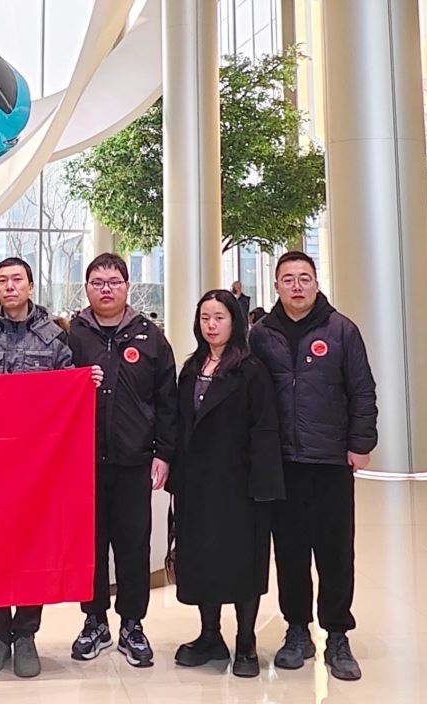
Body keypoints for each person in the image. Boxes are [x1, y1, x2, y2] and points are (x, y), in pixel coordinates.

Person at [248, 250, 377, 682]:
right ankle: (297, 630)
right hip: (282, 462)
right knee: (290, 552)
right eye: (288, 279)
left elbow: (362, 390)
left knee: (335, 551)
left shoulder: (341, 330)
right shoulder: (261, 335)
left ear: (316, 283)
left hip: (330, 461)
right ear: (276, 286)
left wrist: (361, 443)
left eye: (304, 278)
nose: (297, 286)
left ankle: (337, 634)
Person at [0, 257, 75, 678]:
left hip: (37, 466)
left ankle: (26, 633)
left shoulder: (54, 336)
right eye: (2, 281)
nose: (10, 287)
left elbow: (68, 390)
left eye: (17, 280)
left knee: (32, 547)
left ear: (29, 285)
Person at [64, 253, 177, 669]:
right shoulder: (72, 335)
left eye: (114, 282)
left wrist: (164, 452)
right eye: (98, 282)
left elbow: (168, 402)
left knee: (132, 545)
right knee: (89, 546)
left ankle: (132, 623)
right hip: (83, 462)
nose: (106, 289)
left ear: (128, 287)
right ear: (87, 288)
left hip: (134, 459)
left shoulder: (150, 337)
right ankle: (94, 620)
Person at [170, 290, 284, 678]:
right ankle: (209, 634)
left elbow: (265, 429)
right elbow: (180, 424)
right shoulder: (191, 368)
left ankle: (246, 640)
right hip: (197, 484)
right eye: (205, 318)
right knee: (202, 559)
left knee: (242, 562)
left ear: (234, 321)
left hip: (239, 484)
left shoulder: (250, 370)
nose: (211, 325)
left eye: (219, 317)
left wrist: (263, 484)